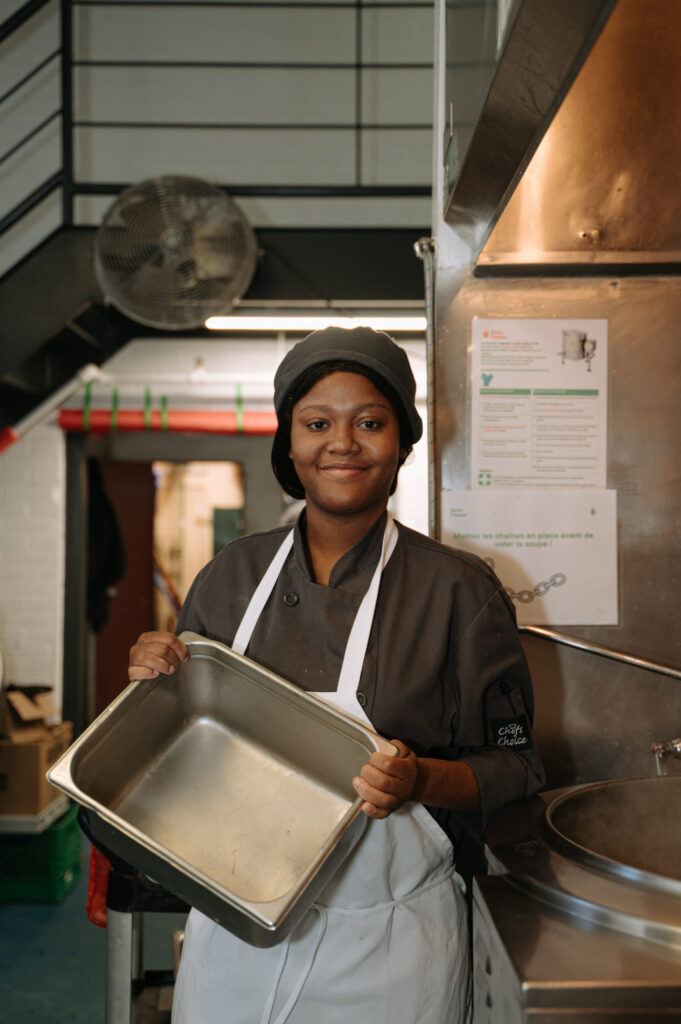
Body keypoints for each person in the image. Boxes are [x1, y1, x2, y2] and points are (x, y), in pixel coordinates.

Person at [128, 326, 545, 1024]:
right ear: (288, 447)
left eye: (370, 423)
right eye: (317, 423)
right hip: (236, 939)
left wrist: (418, 779)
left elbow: (517, 767)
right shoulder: (230, 578)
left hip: (390, 949)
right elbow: (179, 752)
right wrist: (153, 679)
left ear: (402, 444)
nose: (342, 443)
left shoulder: (458, 592)